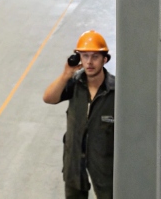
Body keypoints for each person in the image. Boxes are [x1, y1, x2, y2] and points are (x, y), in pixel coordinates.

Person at [43, 30, 115, 199]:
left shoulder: (116, 90)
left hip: (105, 164)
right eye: (85, 56)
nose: (89, 62)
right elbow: (49, 98)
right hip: (75, 162)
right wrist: (66, 74)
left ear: (104, 59)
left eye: (95, 57)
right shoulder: (74, 84)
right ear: (79, 59)